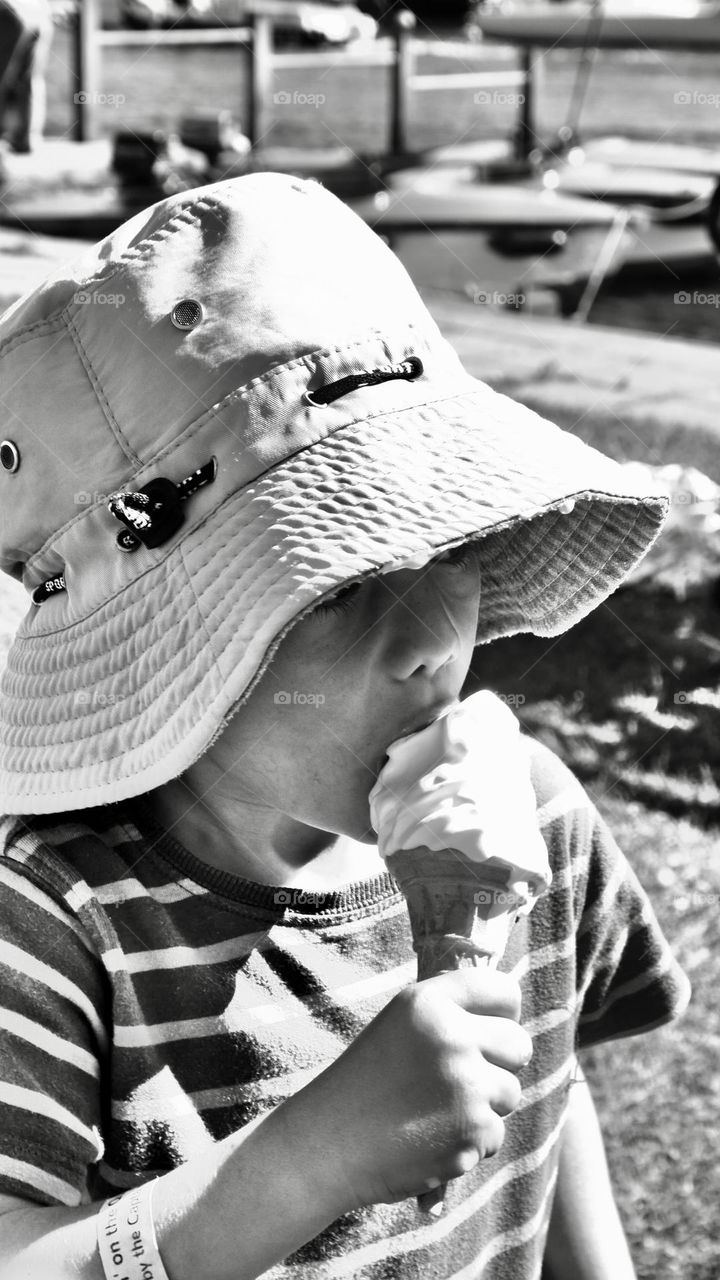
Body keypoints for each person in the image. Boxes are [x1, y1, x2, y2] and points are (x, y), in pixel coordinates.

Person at [0, 172, 690, 1280]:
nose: (426, 642)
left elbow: (548, 1087)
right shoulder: (57, 918)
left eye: (447, 550)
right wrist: (307, 1158)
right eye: (331, 584)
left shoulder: (539, 816)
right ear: (162, 650)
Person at [0, 0, 51, 153]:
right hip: (38, 11)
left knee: (3, 79)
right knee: (31, 79)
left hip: (9, 13)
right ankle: (27, 139)